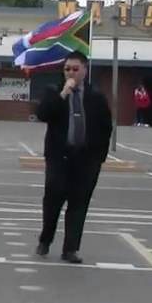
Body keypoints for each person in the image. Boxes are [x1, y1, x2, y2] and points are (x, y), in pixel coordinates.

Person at [35, 51, 113, 264]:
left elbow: (106, 126)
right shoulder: (53, 91)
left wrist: (99, 157)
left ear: (84, 71)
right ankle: (45, 239)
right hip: (59, 157)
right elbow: (43, 114)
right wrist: (63, 94)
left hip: (86, 159)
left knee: (79, 204)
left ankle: (71, 249)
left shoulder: (96, 96)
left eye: (75, 69)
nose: (71, 72)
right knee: (53, 200)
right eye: (67, 68)